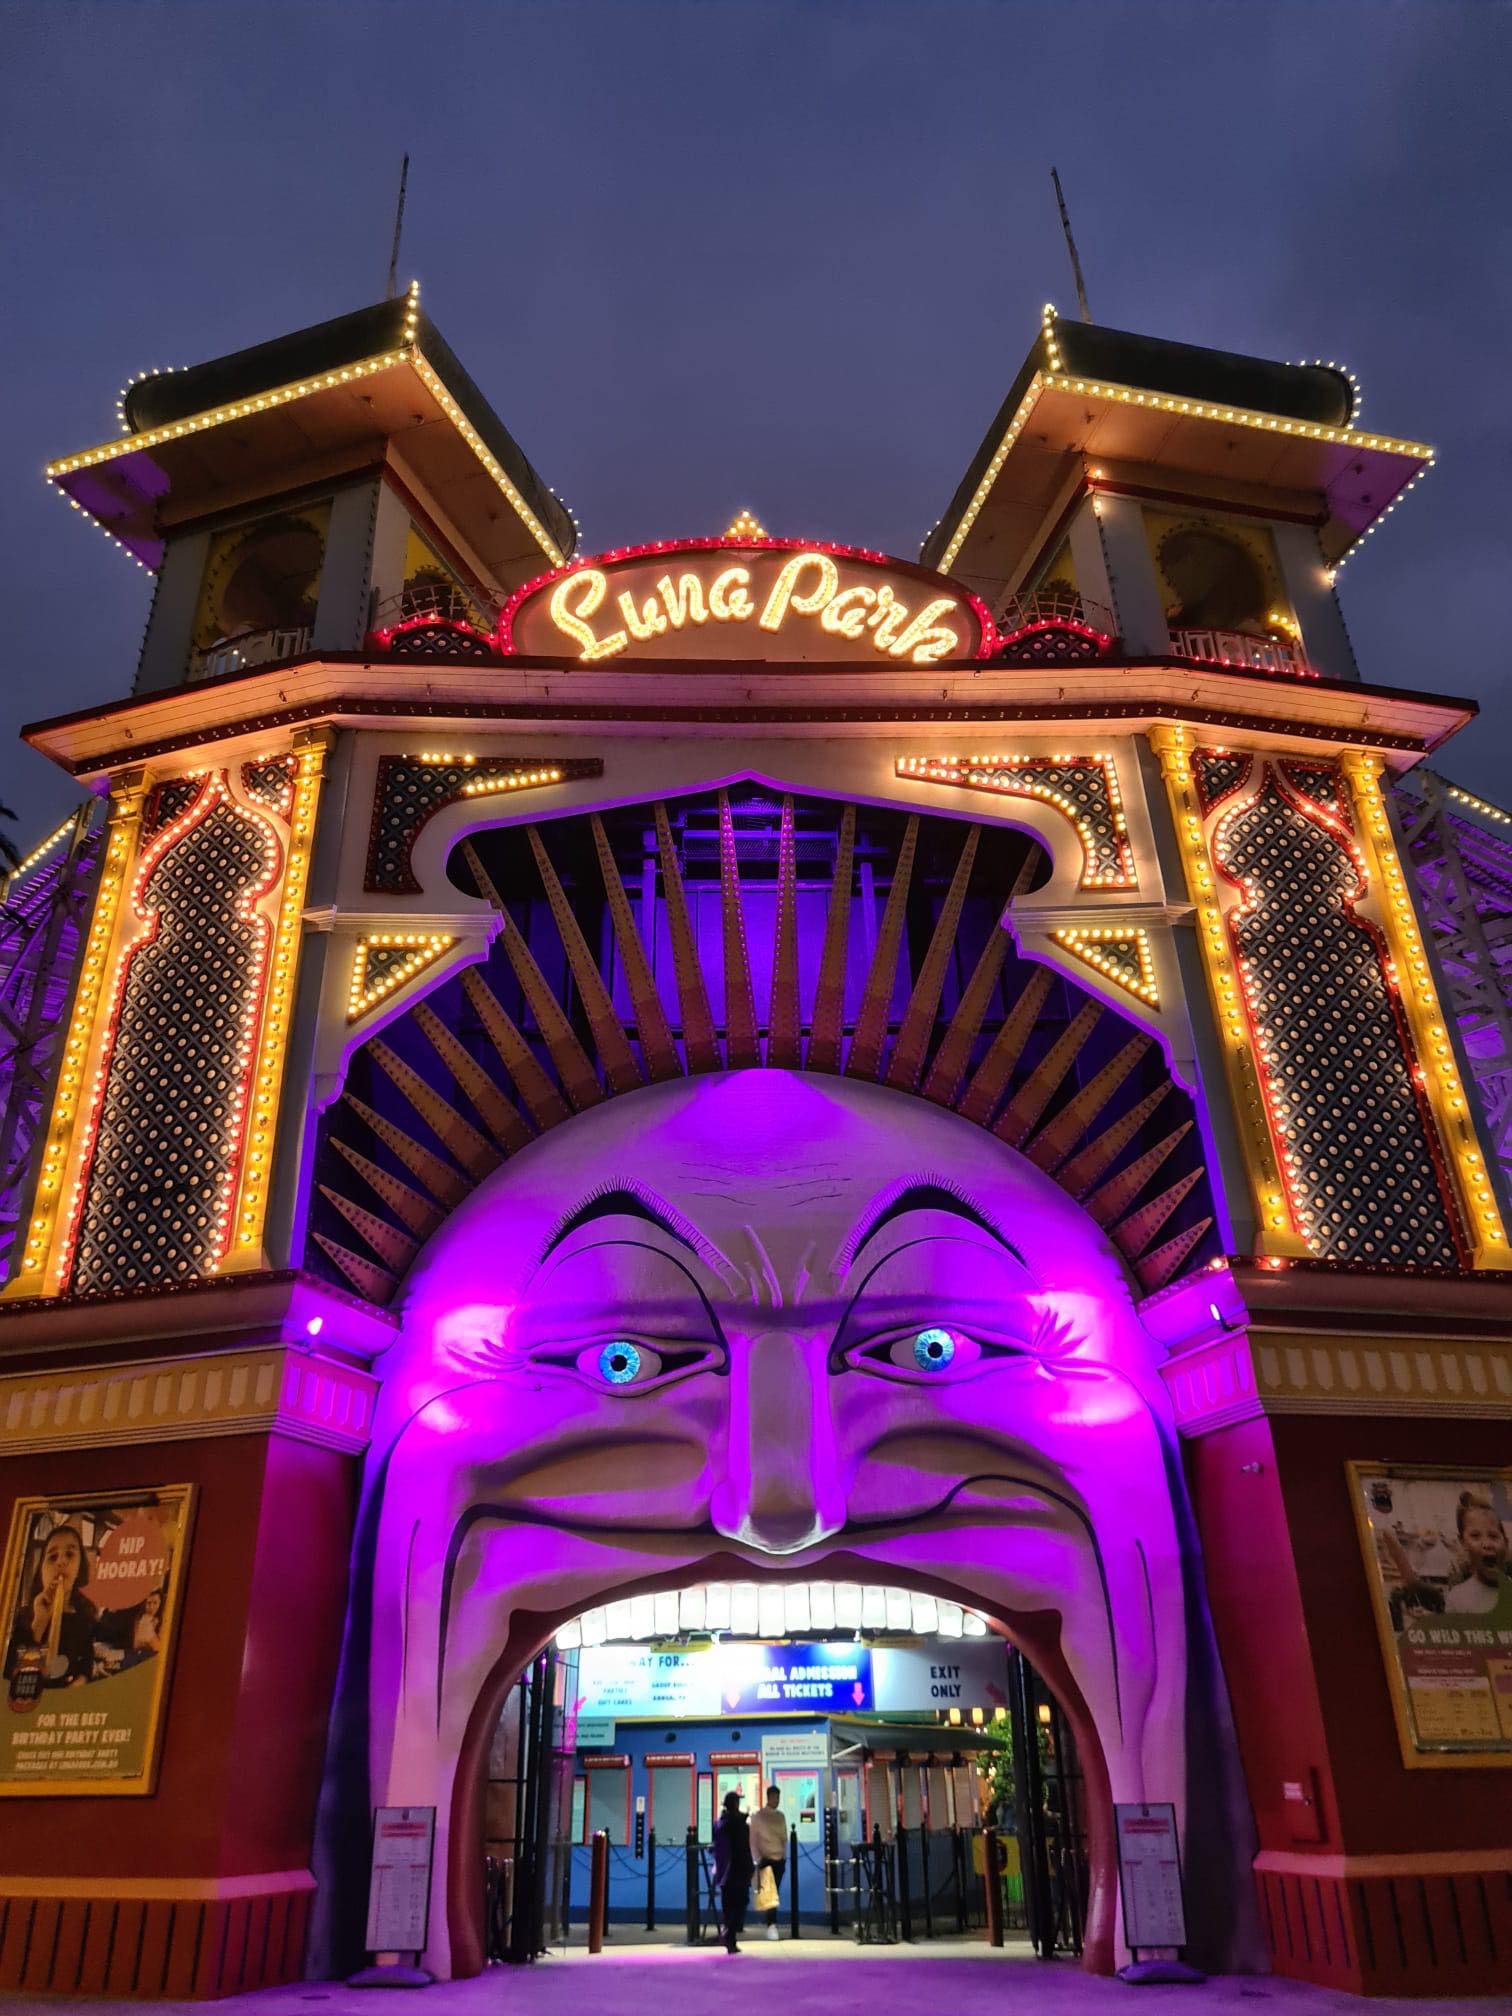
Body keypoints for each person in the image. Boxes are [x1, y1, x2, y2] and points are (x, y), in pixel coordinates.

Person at [5, 1523, 97, 1689]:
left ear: (79, 1568)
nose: (61, 1561)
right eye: (53, 1557)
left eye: (70, 1554)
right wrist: (39, 1625)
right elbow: (11, 1676)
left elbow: (87, 1662)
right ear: (41, 1570)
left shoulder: (84, 1617)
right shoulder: (24, 1617)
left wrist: (81, 1681)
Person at [1443, 1492, 1512, 1621]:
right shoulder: (1457, 1599)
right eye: (1475, 1536)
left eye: (1493, 1536)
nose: (1487, 1544)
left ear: (1506, 1543)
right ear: (1463, 1542)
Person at [711, 1789, 753, 1954]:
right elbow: (744, 1848)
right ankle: (730, 1935)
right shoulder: (740, 1824)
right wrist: (750, 1867)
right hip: (738, 1869)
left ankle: (729, 1935)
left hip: (724, 1871)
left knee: (728, 1905)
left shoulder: (720, 1824)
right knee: (741, 1902)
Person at [749, 1784, 789, 1941]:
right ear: (768, 1797)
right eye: (774, 1797)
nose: (776, 1800)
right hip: (765, 1859)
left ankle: (771, 1924)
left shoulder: (781, 1816)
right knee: (770, 1894)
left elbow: (784, 1838)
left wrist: (784, 1856)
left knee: (774, 1892)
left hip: (779, 1859)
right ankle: (771, 1924)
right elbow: (753, 1840)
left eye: (778, 1797)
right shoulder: (758, 1817)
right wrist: (757, 1859)